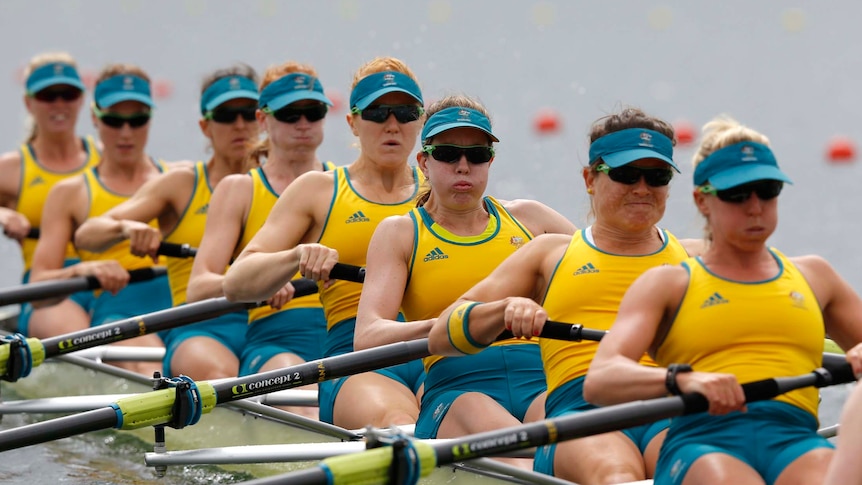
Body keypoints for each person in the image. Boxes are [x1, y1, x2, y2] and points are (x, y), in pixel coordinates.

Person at [428, 107, 703, 484]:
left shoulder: (694, 259)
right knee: (616, 474)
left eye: (656, 177)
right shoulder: (550, 254)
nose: (641, 188)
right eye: (624, 174)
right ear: (590, 178)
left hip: (670, 405)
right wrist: (504, 310)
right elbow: (443, 332)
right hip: (582, 411)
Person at [584, 116, 862, 485]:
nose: (755, 207)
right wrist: (683, 380)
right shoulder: (669, 283)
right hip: (703, 443)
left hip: (794, 439)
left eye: (767, 190)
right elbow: (601, 380)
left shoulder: (815, 276)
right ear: (702, 200)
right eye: (736, 194)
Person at [354, 95, 575, 469]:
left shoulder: (532, 219)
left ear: (490, 160)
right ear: (424, 162)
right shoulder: (402, 233)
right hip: (458, 390)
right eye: (447, 154)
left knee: (584, 448)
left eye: (476, 155)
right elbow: (368, 336)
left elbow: (601, 265)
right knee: (529, 465)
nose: (463, 166)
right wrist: (462, 325)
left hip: (539, 382)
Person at [223, 56, 427, 429]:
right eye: (378, 112)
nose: (392, 124)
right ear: (352, 123)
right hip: (357, 355)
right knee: (401, 422)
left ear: (422, 120)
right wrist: (296, 256)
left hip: (438, 350)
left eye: (405, 112)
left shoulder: (445, 191)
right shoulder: (319, 190)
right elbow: (237, 282)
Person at [74, 64, 260, 380]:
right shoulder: (181, 185)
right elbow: (86, 235)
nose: (239, 125)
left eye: (248, 113)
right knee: (218, 375)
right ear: (205, 126)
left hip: (269, 326)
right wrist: (125, 227)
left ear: (263, 119)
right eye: (227, 116)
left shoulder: (287, 186)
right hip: (202, 328)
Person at [187, 61, 334, 416]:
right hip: (275, 341)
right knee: (306, 401)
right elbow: (198, 287)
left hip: (346, 341)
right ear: (264, 120)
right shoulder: (240, 189)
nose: (302, 123)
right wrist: (261, 280)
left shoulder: (343, 186)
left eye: (312, 112)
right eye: (289, 114)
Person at [29, 63, 177, 374]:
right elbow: (38, 286)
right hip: (122, 318)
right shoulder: (69, 193)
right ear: (95, 118)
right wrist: (87, 268)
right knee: (156, 368)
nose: (126, 133)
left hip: (187, 312)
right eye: (114, 120)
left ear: (150, 119)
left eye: (137, 120)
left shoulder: (180, 179)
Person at [0, 52, 100, 334]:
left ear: (81, 100)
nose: (59, 104)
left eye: (68, 94)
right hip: (48, 289)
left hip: (111, 282)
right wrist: (3, 213)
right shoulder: (12, 169)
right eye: (47, 95)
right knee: (78, 338)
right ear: (28, 103)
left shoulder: (107, 159)